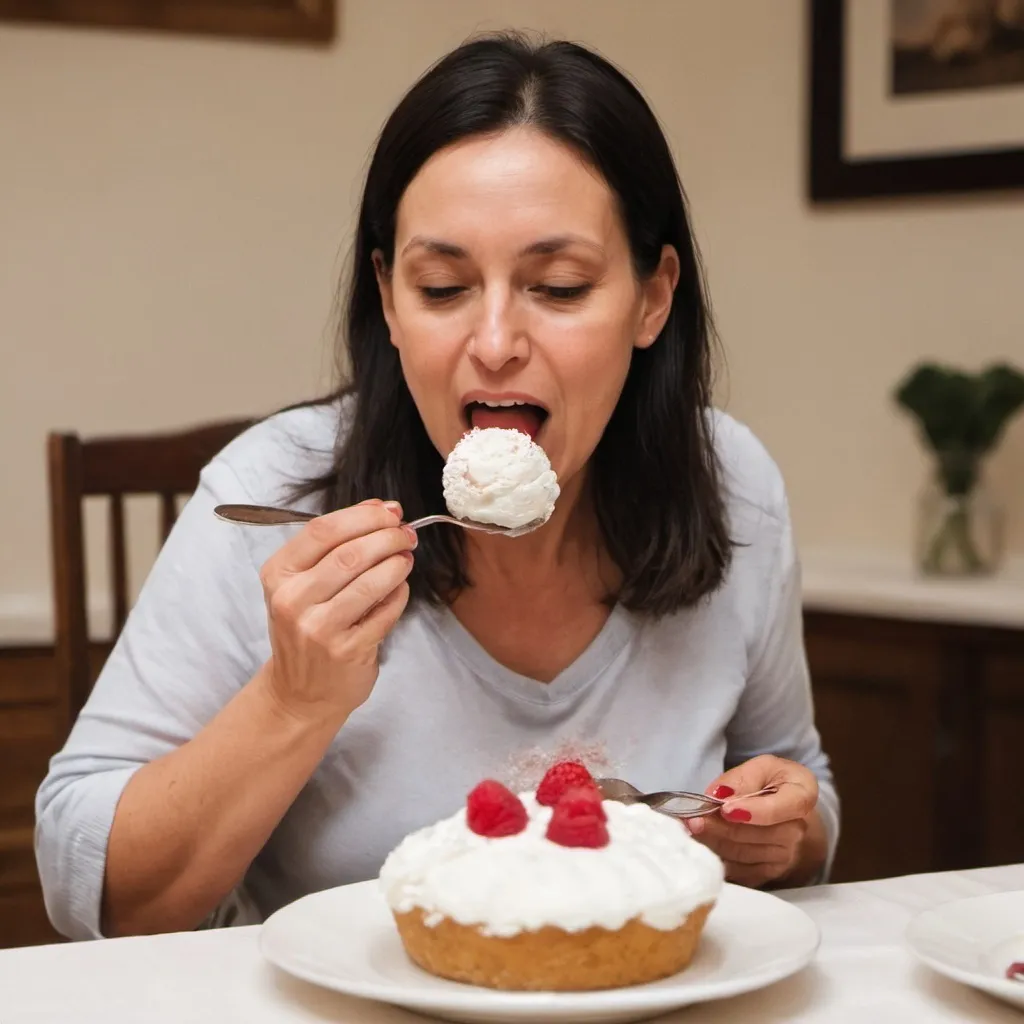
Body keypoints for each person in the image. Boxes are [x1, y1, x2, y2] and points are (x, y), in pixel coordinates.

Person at [36, 32, 839, 941]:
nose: (494, 341)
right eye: (444, 285)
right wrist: (292, 702)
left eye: (561, 286)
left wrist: (786, 837)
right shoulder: (274, 491)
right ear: (388, 298)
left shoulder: (735, 489)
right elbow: (85, 889)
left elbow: (797, 786)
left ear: (653, 298)